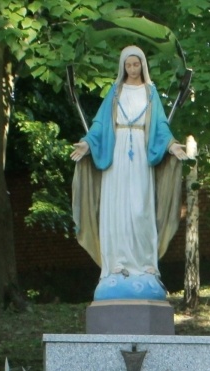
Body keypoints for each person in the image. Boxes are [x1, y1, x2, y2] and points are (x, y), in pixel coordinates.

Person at [70, 45, 190, 300]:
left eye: (136, 65)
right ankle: (117, 262)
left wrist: (171, 145)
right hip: (117, 154)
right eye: (128, 65)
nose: (132, 69)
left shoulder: (150, 92)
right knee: (118, 206)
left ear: (143, 66)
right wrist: (87, 143)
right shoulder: (115, 92)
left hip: (140, 156)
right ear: (123, 67)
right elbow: (100, 123)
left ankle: (146, 262)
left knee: (139, 207)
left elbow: (159, 125)